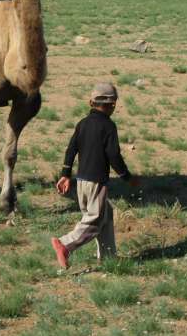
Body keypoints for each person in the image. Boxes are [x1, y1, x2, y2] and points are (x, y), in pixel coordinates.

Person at [51, 83, 139, 269]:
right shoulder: (108, 126)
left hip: (81, 181)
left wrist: (65, 174)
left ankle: (108, 257)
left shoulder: (82, 124)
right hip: (96, 182)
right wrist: (126, 176)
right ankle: (65, 245)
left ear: (90, 102)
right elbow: (113, 156)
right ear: (113, 105)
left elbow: (71, 149)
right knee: (94, 220)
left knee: (106, 214)